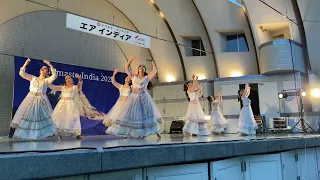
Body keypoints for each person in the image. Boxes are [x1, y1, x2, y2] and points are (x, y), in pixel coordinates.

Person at [107, 57, 162, 138]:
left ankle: (151, 132)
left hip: (144, 98)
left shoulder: (146, 78)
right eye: (140, 67)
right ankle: (134, 132)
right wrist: (131, 60)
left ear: (144, 70)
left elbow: (154, 71)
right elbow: (126, 68)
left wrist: (153, 63)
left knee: (146, 115)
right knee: (135, 114)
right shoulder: (133, 77)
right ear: (138, 69)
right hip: (134, 98)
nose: (141, 68)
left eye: (143, 67)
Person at [11, 58, 59, 140]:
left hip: (41, 100)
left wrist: (49, 64)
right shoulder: (33, 78)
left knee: (39, 118)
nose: (43, 69)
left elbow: (54, 76)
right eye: (42, 68)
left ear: (47, 72)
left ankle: (39, 135)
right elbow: (22, 73)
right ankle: (28, 135)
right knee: (28, 116)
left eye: (45, 69)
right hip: (30, 99)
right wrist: (26, 63)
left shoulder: (47, 80)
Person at [48, 74, 84, 139]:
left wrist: (79, 79)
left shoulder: (75, 87)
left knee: (73, 118)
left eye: (69, 78)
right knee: (60, 118)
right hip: (62, 104)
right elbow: (53, 87)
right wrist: (48, 79)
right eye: (66, 79)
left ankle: (77, 134)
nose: (68, 80)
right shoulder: (63, 87)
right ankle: (59, 133)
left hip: (71, 104)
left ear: (72, 79)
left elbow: (79, 86)